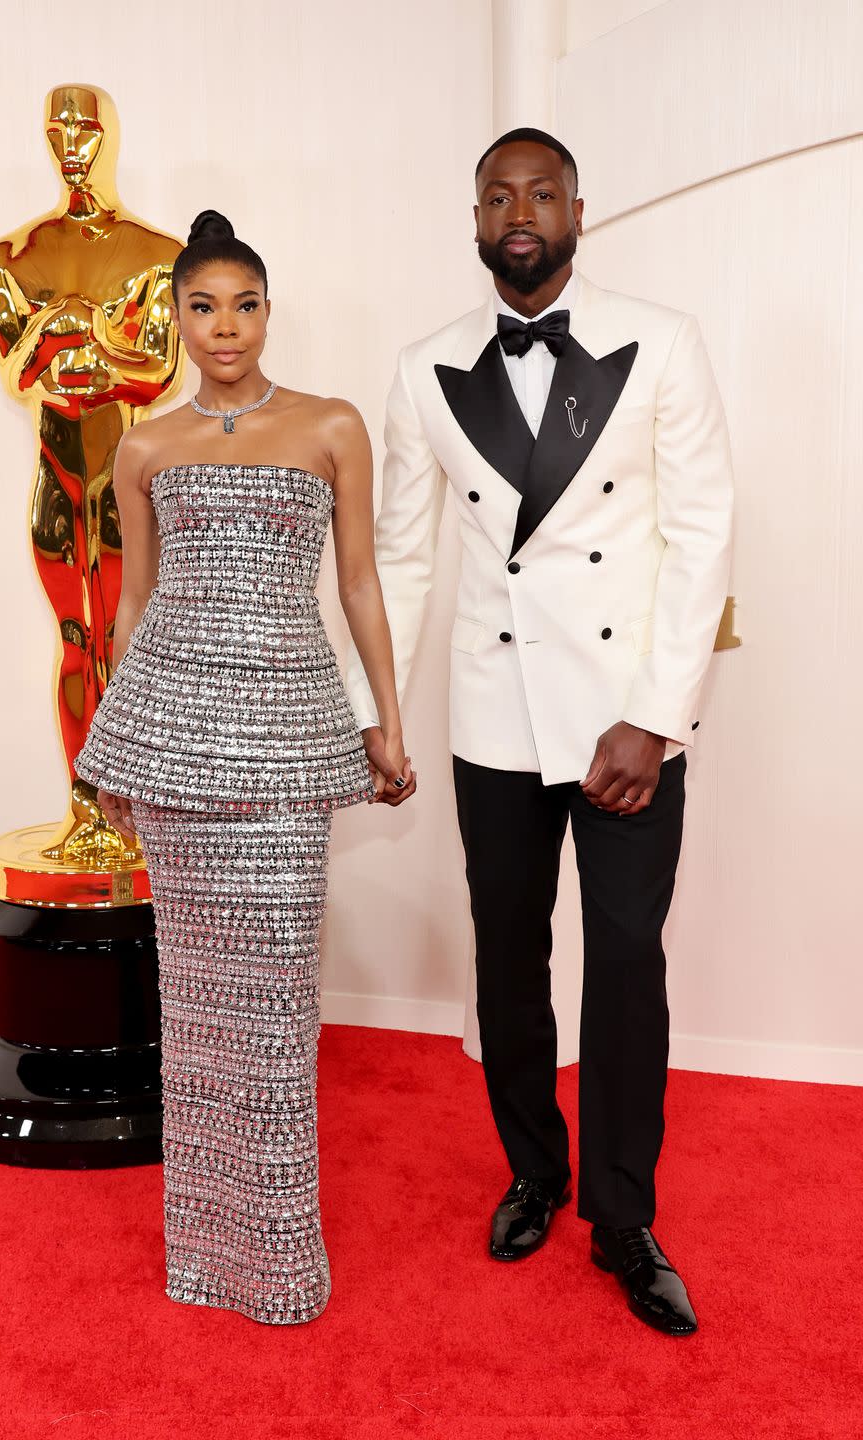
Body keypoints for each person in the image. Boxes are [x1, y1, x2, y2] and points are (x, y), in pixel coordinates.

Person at [346, 129, 733, 1337]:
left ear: (580, 208)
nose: (522, 212)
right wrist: (381, 713)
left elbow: (702, 535)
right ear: (474, 220)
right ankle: (535, 1171)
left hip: (627, 719)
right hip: (493, 713)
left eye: (543, 192)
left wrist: (656, 716)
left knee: (626, 966)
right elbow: (403, 556)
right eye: (498, 196)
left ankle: (623, 1215)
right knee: (508, 963)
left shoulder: (662, 341)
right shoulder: (423, 368)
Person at [75, 209, 416, 1325]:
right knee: (196, 1007)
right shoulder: (145, 445)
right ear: (173, 317)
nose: (225, 327)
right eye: (202, 307)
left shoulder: (331, 426)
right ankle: (203, 1260)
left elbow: (358, 584)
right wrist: (119, 742)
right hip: (172, 742)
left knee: (272, 1002)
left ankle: (276, 1263)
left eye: (245, 304)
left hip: (283, 744)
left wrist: (386, 722)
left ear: (272, 311)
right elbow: (133, 605)